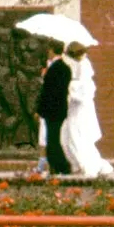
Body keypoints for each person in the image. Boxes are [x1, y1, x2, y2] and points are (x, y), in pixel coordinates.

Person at [62, 44, 114, 178]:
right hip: (75, 109)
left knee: (77, 137)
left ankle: (87, 165)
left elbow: (82, 92)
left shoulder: (83, 68)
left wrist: (71, 87)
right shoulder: (79, 66)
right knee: (71, 136)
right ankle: (82, 163)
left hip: (78, 109)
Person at [36, 42, 73, 176]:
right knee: (53, 138)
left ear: (52, 50)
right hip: (60, 109)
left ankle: (62, 166)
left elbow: (48, 92)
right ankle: (56, 166)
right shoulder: (65, 68)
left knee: (52, 140)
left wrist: (40, 110)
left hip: (52, 110)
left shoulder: (54, 68)